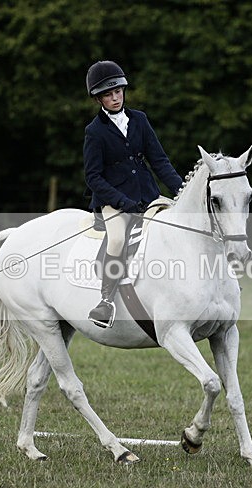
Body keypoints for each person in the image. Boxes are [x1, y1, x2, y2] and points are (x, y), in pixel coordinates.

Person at [83, 60, 183, 328]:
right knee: (117, 239)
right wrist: (122, 203)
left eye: (117, 91)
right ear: (98, 99)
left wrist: (180, 191)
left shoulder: (139, 119)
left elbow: (159, 161)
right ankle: (105, 301)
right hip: (114, 202)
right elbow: (93, 177)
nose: (115, 98)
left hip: (149, 197)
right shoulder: (94, 132)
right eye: (107, 94)